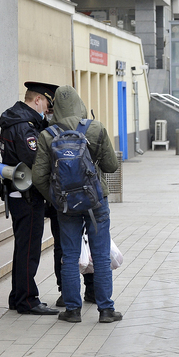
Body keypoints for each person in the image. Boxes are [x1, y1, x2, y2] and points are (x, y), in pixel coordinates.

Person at [32, 85, 122, 323]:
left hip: (66, 206)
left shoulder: (47, 135)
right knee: (101, 255)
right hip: (96, 203)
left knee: (70, 256)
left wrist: (57, 198)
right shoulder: (96, 128)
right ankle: (106, 310)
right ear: (80, 104)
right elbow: (112, 166)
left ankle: (72, 310)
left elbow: (38, 177)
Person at [0, 81, 60, 316]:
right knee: (29, 249)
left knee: (23, 247)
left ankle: (17, 296)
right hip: (27, 196)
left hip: (17, 194)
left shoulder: (15, 119)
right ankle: (27, 300)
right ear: (37, 100)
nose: (46, 110)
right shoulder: (25, 126)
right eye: (46, 104)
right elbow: (36, 161)